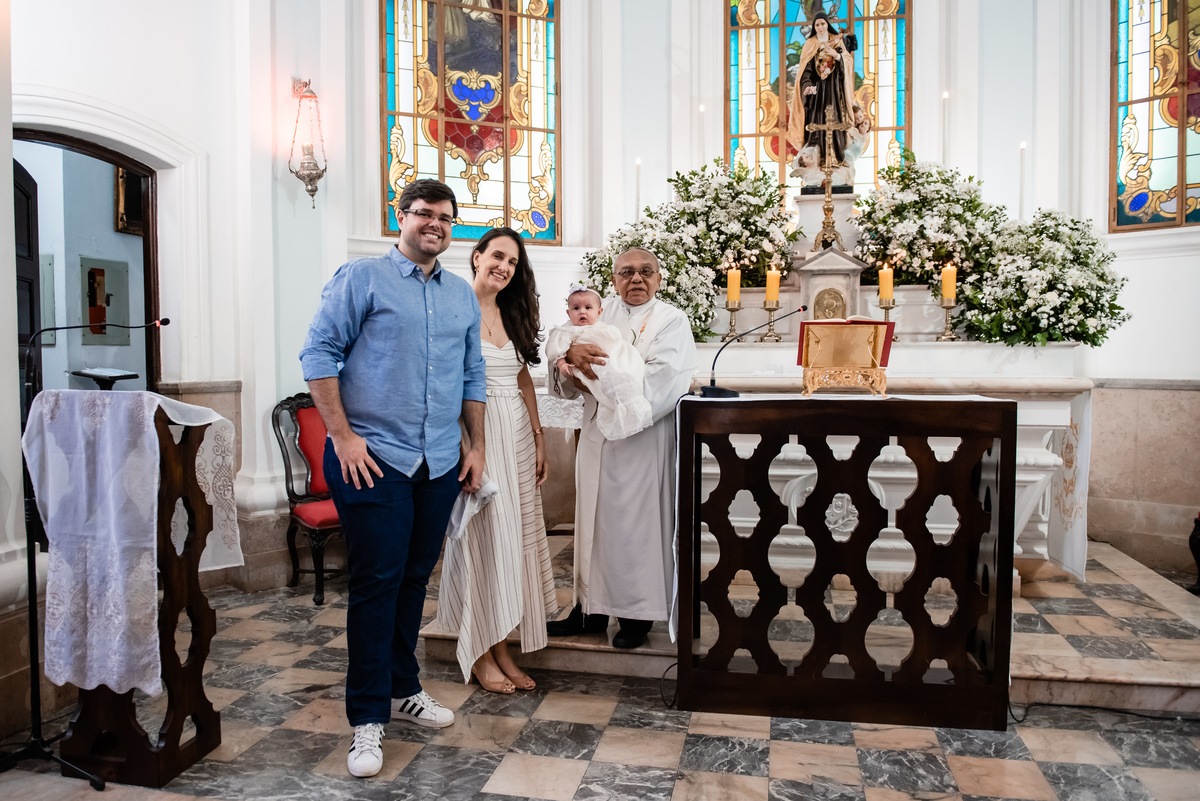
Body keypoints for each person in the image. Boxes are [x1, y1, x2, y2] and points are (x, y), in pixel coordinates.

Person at [299, 179, 486, 779]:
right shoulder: (362, 278)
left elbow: (472, 375)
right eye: (424, 213)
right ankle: (367, 716)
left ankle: (405, 688)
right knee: (377, 583)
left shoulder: (460, 295)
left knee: (412, 578)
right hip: (372, 458)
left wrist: (476, 447)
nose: (436, 224)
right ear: (399, 216)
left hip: (438, 461)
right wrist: (342, 436)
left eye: (446, 217)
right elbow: (318, 354)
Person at [546, 248, 697, 649]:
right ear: (613, 279)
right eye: (626, 272)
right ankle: (589, 609)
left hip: (642, 441)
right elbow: (563, 356)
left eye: (646, 271)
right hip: (596, 435)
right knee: (592, 526)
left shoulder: (671, 320)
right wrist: (568, 357)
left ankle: (636, 612)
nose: (636, 279)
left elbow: (665, 382)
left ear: (659, 278)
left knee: (634, 528)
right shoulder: (597, 311)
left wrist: (596, 380)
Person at [435, 227, 556, 694]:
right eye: (498, 256)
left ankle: (502, 646)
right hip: (475, 433)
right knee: (482, 540)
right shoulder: (453, 305)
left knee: (512, 542)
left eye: (512, 262)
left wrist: (539, 438)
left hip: (517, 434)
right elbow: (446, 383)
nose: (504, 267)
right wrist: (466, 447)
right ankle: (479, 652)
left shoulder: (513, 311)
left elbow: (523, 379)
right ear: (477, 256)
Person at [545, 282, 653, 441]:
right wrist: (562, 363)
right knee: (605, 378)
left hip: (609, 358)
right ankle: (620, 406)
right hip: (590, 366)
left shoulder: (603, 327)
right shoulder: (566, 330)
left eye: (588, 308)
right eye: (576, 308)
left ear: (599, 312)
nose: (582, 311)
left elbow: (616, 344)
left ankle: (630, 403)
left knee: (623, 373)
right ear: (568, 313)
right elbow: (556, 348)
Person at [786, 12, 856, 170]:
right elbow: (806, 71)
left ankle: (837, 157)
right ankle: (817, 159)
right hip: (817, 93)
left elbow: (848, 62)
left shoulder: (836, 40)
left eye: (823, 24)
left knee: (835, 120)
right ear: (814, 27)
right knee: (817, 123)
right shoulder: (810, 44)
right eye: (817, 25)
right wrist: (807, 86)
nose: (820, 27)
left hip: (834, 90)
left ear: (827, 24)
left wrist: (837, 57)